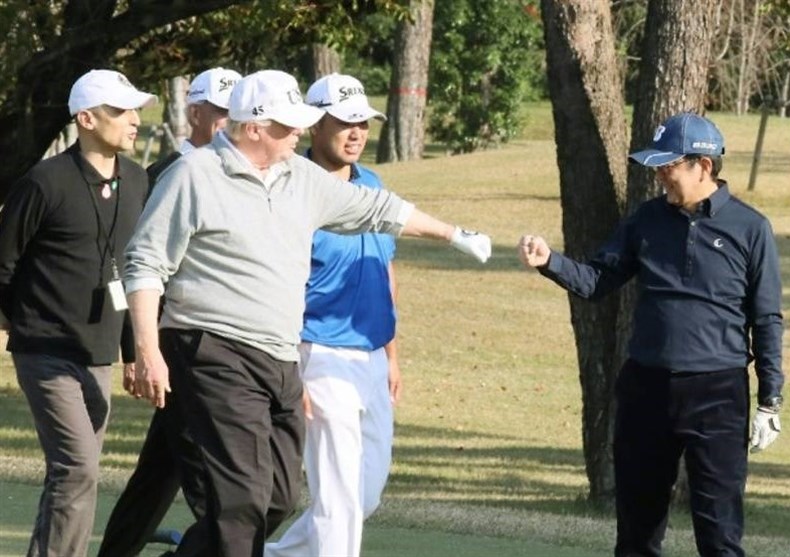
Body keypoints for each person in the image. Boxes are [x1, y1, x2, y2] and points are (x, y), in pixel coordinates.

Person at [123, 69, 491, 557]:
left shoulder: (299, 176)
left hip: (278, 358)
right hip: (211, 348)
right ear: (254, 127)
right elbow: (145, 264)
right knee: (241, 501)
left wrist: (453, 234)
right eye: (288, 124)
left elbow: (378, 209)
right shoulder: (194, 175)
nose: (298, 131)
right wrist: (147, 351)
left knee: (277, 498)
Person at [517, 112, 784, 557]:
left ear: (703, 166)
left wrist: (769, 400)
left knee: (719, 537)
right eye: (657, 166)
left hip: (718, 395)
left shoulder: (750, 228)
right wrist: (550, 261)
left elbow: (767, 318)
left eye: (668, 166)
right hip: (646, 389)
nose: (659, 175)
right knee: (637, 536)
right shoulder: (646, 220)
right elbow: (597, 281)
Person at [0, 69, 155, 557]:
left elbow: (134, 270)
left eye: (135, 110)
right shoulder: (43, 182)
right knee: (78, 467)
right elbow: (3, 264)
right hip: (45, 350)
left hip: (99, 353)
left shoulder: (138, 180)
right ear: (86, 119)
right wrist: (13, 324)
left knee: (74, 474)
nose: (134, 120)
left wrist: (134, 352)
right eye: (121, 111)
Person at [96, 66, 241, 557]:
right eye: (220, 112)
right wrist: (138, 348)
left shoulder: (242, 176)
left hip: (217, 344)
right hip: (176, 344)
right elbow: (131, 265)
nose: (229, 122)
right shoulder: (158, 177)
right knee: (208, 479)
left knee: (161, 471)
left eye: (236, 113)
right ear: (194, 113)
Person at [264, 73, 399, 557]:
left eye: (363, 122)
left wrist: (393, 355)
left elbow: (383, 270)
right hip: (318, 351)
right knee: (338, 495)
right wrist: (290, 367)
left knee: (364, 494)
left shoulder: (372, 184)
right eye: (345, 122)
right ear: (315, 125)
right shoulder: (290, 188)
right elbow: (275, 285)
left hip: (372, 356)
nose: (357, 132)